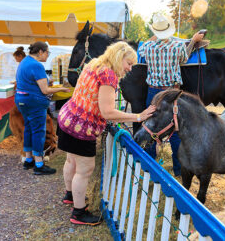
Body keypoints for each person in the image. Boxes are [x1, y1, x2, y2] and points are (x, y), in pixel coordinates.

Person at [57, 41, 155, 226]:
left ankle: (70, 195)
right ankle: (78, 212)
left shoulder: (94, 64)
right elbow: (108, 112)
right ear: (119, 58)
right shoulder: (109, 76)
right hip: (82, 127)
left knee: (71, 161)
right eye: (129, 63)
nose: (130, 68)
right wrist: (138, 116)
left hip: (68, 117)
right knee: (84, 170)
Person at [138, 12, 205, 177]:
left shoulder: (147, 48)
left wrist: (156, 34)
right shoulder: (177, 47)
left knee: (151, 126)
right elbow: (185, 57)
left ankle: (150, 169)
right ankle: (178, 169)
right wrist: (194, 41)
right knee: (175, 128)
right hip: (171, 93)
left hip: (153, 92)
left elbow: (143, 47)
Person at [15, 41, 70, 175]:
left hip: (22, 100)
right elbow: (45, 90)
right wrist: (62, 88)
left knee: (28, 128)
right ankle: (39, 164)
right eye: (47, 53)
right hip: (34, 102)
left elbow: (31, 81)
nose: (47, 56)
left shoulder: (25, 61)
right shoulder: (37, 65)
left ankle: (28, 160)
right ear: (40, 52)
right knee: (39, 131)